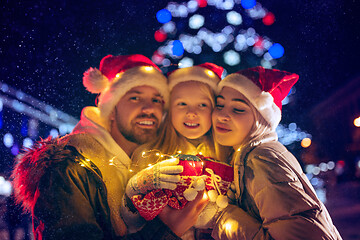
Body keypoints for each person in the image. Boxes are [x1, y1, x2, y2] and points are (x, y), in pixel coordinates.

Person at [11, 54, 208, 240]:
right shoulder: (69, 168)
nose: (149, 108)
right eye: (135, 98)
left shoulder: (157, 166)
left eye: (157, 100)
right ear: (111, 109)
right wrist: (166, 231)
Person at [211, 66, 342, 239]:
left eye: (238, 109)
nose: (222, 115)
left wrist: (221, 215)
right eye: (219, 105)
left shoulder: (262, 158)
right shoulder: (249, 155)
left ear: (261, 118)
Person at [122, 63, 227, 239]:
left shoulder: (227, 156)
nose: (192, 112)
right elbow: (132, 224)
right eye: (182, 103)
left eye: (202, 104)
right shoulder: (149, 154)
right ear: (169, 110)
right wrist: (136, 187)